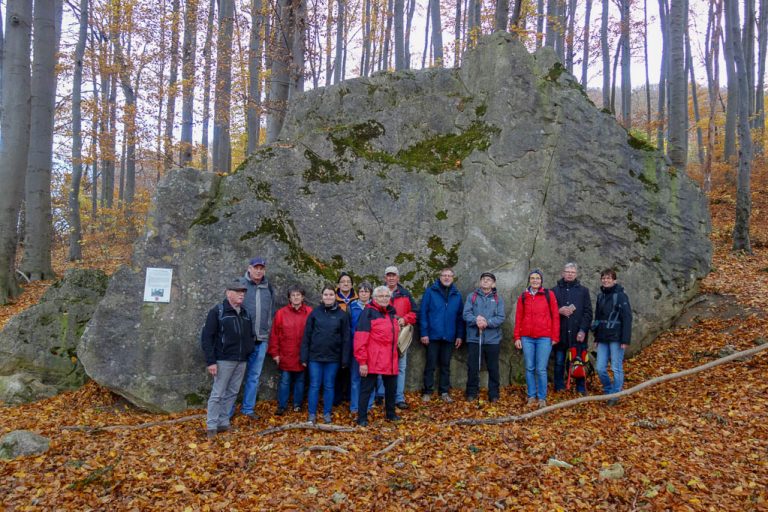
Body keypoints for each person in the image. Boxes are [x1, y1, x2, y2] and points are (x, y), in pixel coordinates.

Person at [200, 279, 255, 439]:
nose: (241, 295)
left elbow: (249, 335)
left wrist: (248, 349)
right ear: (228, 293)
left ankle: (223, 422)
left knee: (232, 392)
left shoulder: (245, 313)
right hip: (223, 359)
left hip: (241, 359)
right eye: (238, 292)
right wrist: (211, 361)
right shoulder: (217, 311)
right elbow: (207, 338)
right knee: (218, 393)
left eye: (243, 292)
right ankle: (211, 426)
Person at [300, 285, 351, 424]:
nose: (328, 297)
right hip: (315, 357)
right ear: (322, 297)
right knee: (315, 385)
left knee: (329, 385)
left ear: (335, 297)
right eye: (326, 295)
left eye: (331, 295)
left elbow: (346, 338)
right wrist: (304, 356)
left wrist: (344, 359)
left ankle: (327, 413)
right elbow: (307, 336)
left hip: (333, 358)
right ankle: (312, 414)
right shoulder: (315, 313)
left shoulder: (342, 315)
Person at [354, 286, 401, 426]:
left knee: (391, 388)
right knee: (366, 389)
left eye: (387, 296)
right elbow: (360, 339)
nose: (384, 298)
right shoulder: (368, 313)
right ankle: (361, 417)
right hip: (372, 359)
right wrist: (362, 361)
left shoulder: (391, 313)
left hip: (390, 359)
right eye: (381, 296)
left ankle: (391, 414)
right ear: (374, 298)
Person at [514, 269, 560, 408]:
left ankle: (542, 397)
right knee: (529, 367)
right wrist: (517, 337)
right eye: (532, 278)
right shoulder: (523, 296)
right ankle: (531, 396)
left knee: (541, 369)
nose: (535, 280)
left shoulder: (549, 295)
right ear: (529, 280)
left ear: (541, 281)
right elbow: (518, 318)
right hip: (527, 337)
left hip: (544, 337)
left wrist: (555, 336)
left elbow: (555, 316)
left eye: (537, 278)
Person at [237, 257, 275, 420]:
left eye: (261, 268)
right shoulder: (240, 284)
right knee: (235, 376)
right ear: (249, 268)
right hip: (242, 340)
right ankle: (228, 409)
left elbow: (271, 311)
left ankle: (248, 409)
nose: (259, 271)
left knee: (254, 376)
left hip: (261, 340)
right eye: (256, 267)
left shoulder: (268, 287)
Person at [420, 268, 464, 403]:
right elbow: (423, 313)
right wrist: (424, 333)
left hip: (449, 335)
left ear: (453, 278)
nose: (446, 278)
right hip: (433, 335)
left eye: (449, 276)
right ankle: (427, 391)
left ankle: (444, 391)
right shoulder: (430, 291)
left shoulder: (456, 294)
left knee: (445, 365)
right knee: (430, 364)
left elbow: (460, 317)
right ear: (439, 277)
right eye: (444, 275)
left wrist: (459, 335)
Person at [268, 285, 312, 415]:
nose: (296, 297)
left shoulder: (309, 312)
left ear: (303, 297)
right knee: (285, 381)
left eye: (298, 295)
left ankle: (297, 405)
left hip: (302, 354)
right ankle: (282, 406)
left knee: (300, 380)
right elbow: (274, 334)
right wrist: (275, 353)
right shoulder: (281, 313)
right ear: (289, 298)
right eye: (293, 295)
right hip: (286, 353)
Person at [463, 272, 505, 402]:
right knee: (473, 366)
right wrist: (476, 320)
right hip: (474, 338)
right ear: (480, 282)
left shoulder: (498, 299)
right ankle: (471, 392)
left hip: (492, 339)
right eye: (483, 279)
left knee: (493, 367)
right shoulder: (472, 297)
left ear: (493, 284)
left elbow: (501, 317)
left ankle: (494, 394)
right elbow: (466, 314)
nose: (486, 281)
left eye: (489, 280)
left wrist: (487, 322)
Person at [592, 268, 632, 406]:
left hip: (616, 337)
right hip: (603, 337)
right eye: (604, 278)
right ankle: (609, 390)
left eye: (609, 278)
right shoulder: (600, 296)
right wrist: (596, 337)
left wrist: (625, 339)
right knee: (600, 368)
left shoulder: (621, 296)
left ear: (614, 280)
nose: (606, 280)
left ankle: (616, 395)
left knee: (616, 367)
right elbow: (597, 318)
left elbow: (627, 317)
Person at [552, 263, 593, 394]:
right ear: (562, 273)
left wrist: (583, 330)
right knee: (559, 362)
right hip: (560, 334)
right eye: (567, 271)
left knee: (579, 361)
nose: (569, 274)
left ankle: (580, 387)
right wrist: (558, 310)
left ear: (576, 274)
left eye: (572, 272)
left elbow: (588, 313)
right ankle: (559, 386)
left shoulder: (583, 291)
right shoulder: (554, 291)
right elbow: (548, 312)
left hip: (578, 334)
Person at [384, 266, 417, 410]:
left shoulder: (405, 294)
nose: (391, 278)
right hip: (383, 336)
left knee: (401, 368)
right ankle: (381, 396)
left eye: (394, 275)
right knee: (382, 367)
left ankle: (398, 397)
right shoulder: (380, 293)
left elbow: (415, 313)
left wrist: (405, 319)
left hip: (401, 337)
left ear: (398, 277)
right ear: (385, 278)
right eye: (388, 275)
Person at [349, 282, 380, 416]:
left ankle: (369, 405)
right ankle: (355, 407)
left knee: (370, 379)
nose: (363, 294)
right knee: (355, 379)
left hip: (372, 348)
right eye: (361, 291)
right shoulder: (352, 307)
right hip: (356, 346)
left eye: (366, 292)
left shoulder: (375, 308)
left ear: (370, 294)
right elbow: (348, 325)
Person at [334, 272, 358, 405]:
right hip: (338, 338)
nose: (345, 283)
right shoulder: (332, 298)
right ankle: (337, 397)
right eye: (343, 281)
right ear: (338, 284)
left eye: (348, 281)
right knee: (338, 368)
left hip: (353, 339)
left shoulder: (358, 300)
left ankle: (349, 396)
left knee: (351, 369)